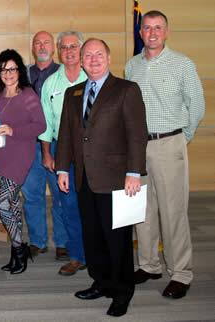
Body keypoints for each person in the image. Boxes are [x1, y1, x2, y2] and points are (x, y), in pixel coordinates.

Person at [56, 38, 148, 317]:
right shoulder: (73, 93)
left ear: (109, 58)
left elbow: (136, 134)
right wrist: (62, 168)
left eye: (99, 54)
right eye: (88, 55)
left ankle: (122, 291)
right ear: (81, 61)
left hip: (117, 180)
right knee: (92, 235)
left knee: (117, 239)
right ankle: (102, 281)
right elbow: (67, 135)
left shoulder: (126, 89)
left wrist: (134, 172)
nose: (93, 59)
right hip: (85, 178)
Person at [125, 10, 205, 299]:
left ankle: (181, 273)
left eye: (158, 27)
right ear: (141, 32)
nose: (152, 33)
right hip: (137, 148)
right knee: (142, 211)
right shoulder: (131, 65)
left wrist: (181, 138)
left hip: (169, 144)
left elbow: (196, 106)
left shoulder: (182, 64)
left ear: (166, 32)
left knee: (173, 213)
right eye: (147, 28)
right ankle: (149, 265)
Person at [0, 49, 46, 274]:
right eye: (4, 69)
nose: (8, 73)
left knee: (0, 204)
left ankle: (19, 248)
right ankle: (16, 257)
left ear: (19, 71)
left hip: (20, 156)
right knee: (13, 206)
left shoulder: (28, 94)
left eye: (12, 68)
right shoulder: (2, 95)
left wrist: (14, 130)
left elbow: (40, 126)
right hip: (3, 155)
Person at [40, 31, 87, 276]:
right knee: (67, 204)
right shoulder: (51, 84)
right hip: (62, 150)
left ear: (81, 49)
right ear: (59, 51)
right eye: (64, 47)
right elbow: (46, 124)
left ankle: (97, 253)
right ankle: (78, 256)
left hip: (93, 150)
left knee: (93, 203)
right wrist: (47, 154)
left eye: (73, 46)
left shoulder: (93, 77)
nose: (68, 51)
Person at [22, 31, 67, 260]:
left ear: (54, 48)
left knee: (60, 195)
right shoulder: (23, 75)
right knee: (32, 196)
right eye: (37, 42)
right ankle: (38, 241)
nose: (41, 46)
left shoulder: (63, 73)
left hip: (57, 144)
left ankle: (63, 242)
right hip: (29, 146)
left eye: (46, 42)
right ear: (32, 47)